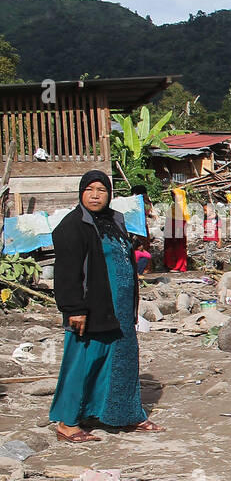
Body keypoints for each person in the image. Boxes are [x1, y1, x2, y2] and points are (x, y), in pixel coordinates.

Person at [49, 172, 165, 442]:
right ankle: (68, 423)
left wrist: (131, 305)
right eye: (89, 189)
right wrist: (74, 308)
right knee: (82, 362)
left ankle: (124, 415)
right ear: (80, 193)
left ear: (109, 194)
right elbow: (66, 273)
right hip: (90, 308)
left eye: (101, 190)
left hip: (120, 308)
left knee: (121, 361)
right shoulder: (72, 226)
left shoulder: (115, 220)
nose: (95, 195)